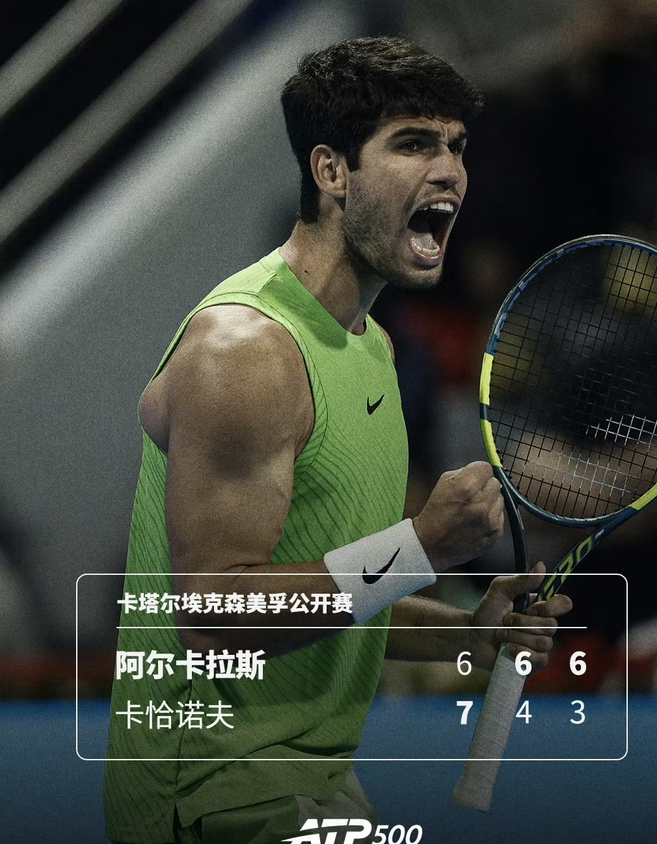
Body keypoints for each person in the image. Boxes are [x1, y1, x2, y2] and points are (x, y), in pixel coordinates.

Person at [105, 37, 573, 844]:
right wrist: (422, 546)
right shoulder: (245, 352)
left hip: (310, 781)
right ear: (331, 171)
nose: (450, 172)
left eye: (456, 146)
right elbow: (214, 613)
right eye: (414, 144)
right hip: (215, 791)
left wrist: (466, 632)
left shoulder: (373, 348)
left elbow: (329, 595)